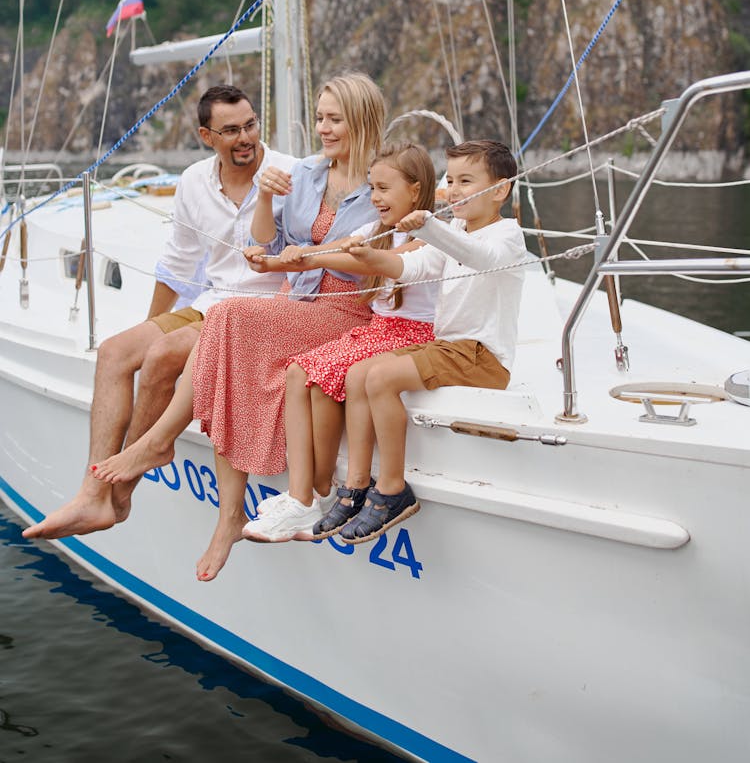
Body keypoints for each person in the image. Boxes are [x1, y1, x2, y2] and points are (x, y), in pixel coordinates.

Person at [91, 71, 386, 581]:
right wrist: (269, 204)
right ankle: (227, 516)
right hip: (300, 301)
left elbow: (373, 256)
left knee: (228, 317)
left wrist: (301, 258)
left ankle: (162, 443)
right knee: (229, 341)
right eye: (320, 117)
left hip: (347, 309)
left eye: (334, 119)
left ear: (361, 120)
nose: (324, 128)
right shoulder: (310, 174)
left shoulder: (381, 180)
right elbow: (267, 248)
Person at [23, 84, 296, 541]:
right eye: (231, 130)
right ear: (207, 136)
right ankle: (94, 495)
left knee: (163, 355)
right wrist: (148, 326)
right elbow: (178, 263)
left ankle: (129, 476)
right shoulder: (193, 181)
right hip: (211, 300)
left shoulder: (289, 174)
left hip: (260, 310)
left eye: (250, 125)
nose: (245, 137)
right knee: (115, 351)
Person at [333, 140, 527, 544]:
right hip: (450, 348)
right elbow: (413, 267)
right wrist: (369, 255)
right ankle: (356, 482)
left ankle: (391, 489)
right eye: (451, 179)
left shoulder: (507, 236)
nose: (454, 190)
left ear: (500, 189)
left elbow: (480, 257)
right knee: (358, 375)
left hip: (482, 357)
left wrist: (428, 227)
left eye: (466, 180)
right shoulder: (455, 230)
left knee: (381, 379)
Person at [244, 143, 437, 542]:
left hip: (412, 335)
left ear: (415, 191)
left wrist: (315, 257)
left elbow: (362, 260)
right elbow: (330, 249)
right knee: (299, 370)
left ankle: (322, 490)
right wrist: (271, 261)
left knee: (320, 371)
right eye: (372, 189)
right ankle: (309, 493)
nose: (375, 198)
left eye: (384, 188)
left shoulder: (428, 235)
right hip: (380, 330)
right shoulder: (375, 231)